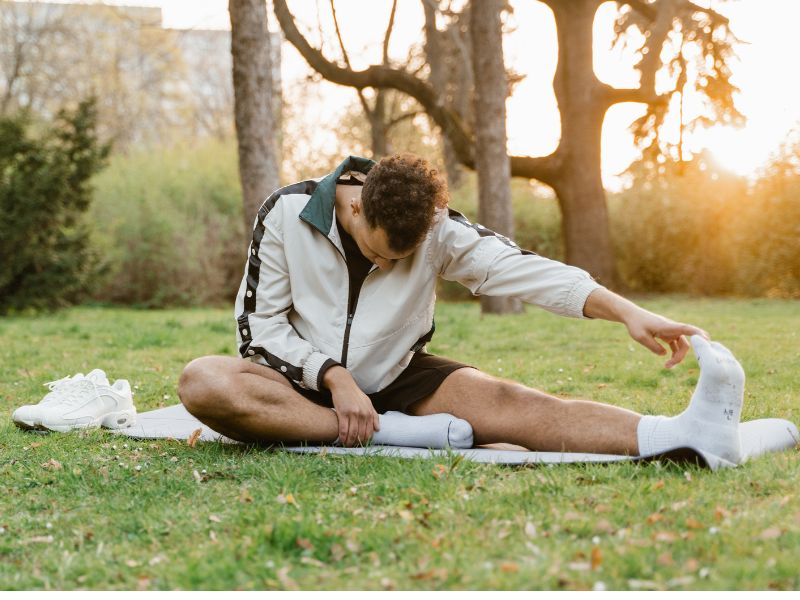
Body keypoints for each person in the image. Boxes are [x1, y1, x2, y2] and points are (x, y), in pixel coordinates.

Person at [178, 154, 745, 465]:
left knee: (513, 402)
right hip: (299, 387)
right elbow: (259, 331)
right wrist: (332, 376)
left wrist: (625, 312)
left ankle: (677, 435)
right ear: (354, 208)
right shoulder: (285, 213)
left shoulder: (437, 229)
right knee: (205, 382)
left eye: (401, 258)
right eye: (378, 251)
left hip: (399, 377)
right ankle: (390, 434)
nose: (387, 264)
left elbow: (522, 270)